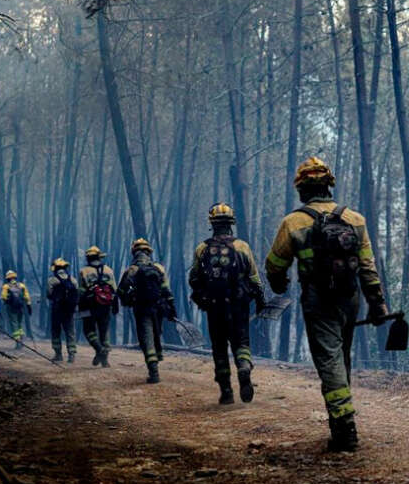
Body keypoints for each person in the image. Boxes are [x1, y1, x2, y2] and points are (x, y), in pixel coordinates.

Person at [265, 157, 388, 452]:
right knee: (341, 356)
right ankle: (339, 421)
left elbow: (274, 265)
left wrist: (279, 284)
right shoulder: (355, 219)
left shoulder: (293, 222)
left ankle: (345, 429)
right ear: (329, 185)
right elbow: (368, 266)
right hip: (351, 297)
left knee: (330, 360)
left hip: (318, 299)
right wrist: (377, 302)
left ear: (301, 189)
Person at [189, 203, 267, 404]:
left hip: (214, 307)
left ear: (212, 224)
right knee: (241, 342)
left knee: (219, 347)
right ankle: (243, 366)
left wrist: (202, 298)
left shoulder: (202, 249)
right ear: (231, 223)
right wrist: (260, 300)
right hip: (238, 305)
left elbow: (194, 279)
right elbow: (254, 278)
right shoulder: (242, 247)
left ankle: (226, 392)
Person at [118, 238, 176, 384]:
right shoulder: (158, 268)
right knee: (157, 333)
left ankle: (153, 371)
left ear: (134, 252)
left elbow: (121, 289)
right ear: (149, 252)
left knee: (146, 337)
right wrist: (171, 307)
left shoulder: (132, 269)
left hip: (142, 308)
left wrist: (127, 299)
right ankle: (158, 355)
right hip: (158, 307)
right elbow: (166, 289)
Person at [78, 245, 119, 368]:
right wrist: (115, 304)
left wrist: (80, 305)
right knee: (103, 331)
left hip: (89, 305)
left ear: (88, 258)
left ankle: (99, 349)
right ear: (99, 257)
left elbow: (81, 291)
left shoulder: (84, 271)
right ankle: (105, 360)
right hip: (105, 305)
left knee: (88, 330)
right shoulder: (108, 270)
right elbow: (114, 289)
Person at [47, 258, 80, 363]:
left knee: (56, 331)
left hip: (57, 310)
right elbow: (77, 294)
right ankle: (71, 355)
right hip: (69, 311)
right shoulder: (73, 280)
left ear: (55, 268)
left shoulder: (52, 280)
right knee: (70, 332)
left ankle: (58, 354)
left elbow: (49, 294)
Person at [0, 270, 32, 349]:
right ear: (15, 277)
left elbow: (3, 297)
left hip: (12, 308)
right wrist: (29, 306)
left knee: (14, 324)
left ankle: (18, 343)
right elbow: (27, 296)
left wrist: (7, 301)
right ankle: (21, 340)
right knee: (20, 323)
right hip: (20, 307)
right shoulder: (21, 285)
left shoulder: (6, 286)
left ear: (7, 278)